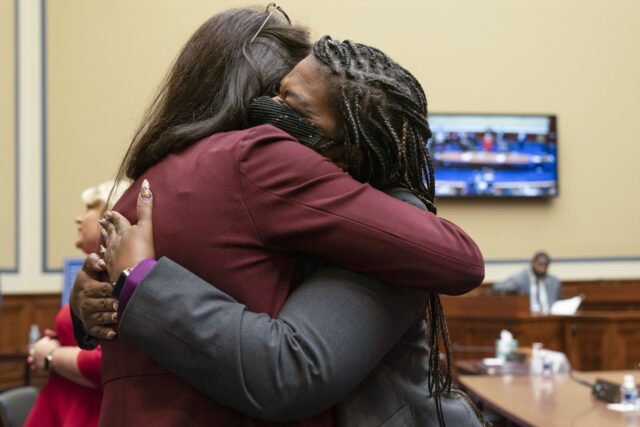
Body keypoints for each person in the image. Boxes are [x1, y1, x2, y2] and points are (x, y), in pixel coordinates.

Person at [71, 7, 484, 427]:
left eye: (290, 104)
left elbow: (291, 369)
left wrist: (136, 281)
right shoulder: (245, 167)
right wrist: (109, 292)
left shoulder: (146, 186)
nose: (269, 112)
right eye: (275, 93)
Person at [23, 180, 128, 427]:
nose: (79, 218)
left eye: (90, 208)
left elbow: (107, 363)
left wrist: (50, 355)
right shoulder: (94, 274)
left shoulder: (119, 277)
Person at [493, 251, 561, 314]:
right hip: (529, 317)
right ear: (532, 263)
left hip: (550, 316)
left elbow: (558, 302)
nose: (542, 267)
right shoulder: (521, 278)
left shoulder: (554, 282)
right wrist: (514, 288)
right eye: (540, 264)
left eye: (546, 265)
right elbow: (497, 287)